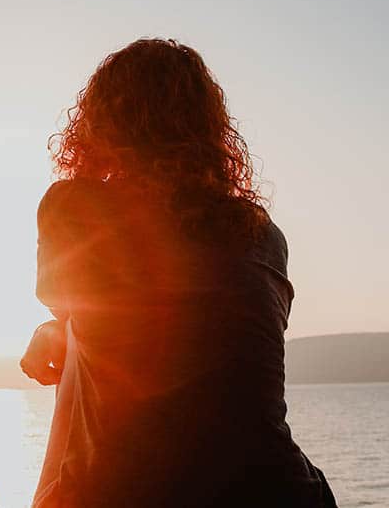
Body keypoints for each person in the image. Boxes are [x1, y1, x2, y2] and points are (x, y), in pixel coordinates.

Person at [21, 38, 337, 507]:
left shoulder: (75, 208)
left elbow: (73, 304)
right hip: (283, 490)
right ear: (209, 131)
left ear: (99, 126)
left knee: (79, 359)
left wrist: (56, 327)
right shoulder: (261, 231)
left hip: (128, 493)